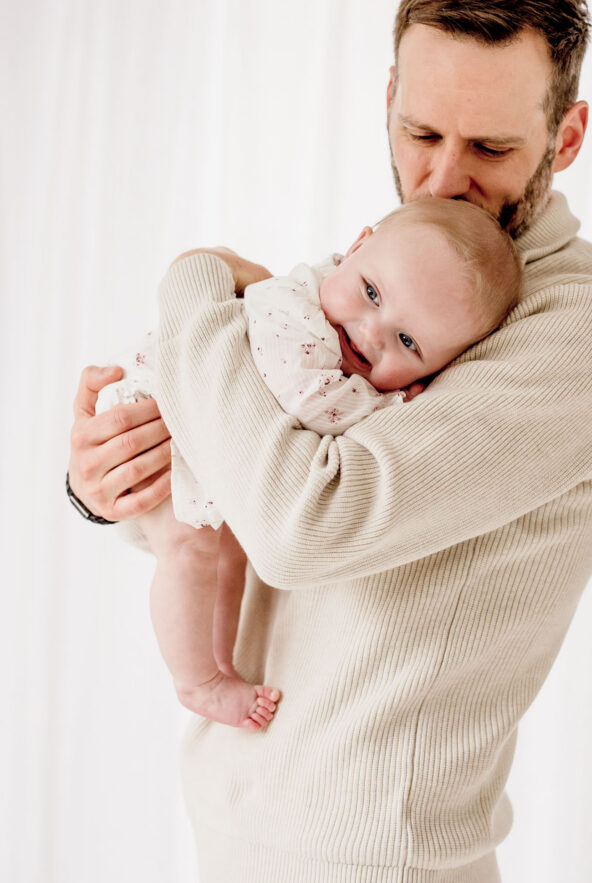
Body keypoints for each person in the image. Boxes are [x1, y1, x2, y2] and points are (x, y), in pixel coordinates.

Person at [67, 0, 592, 883]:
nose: (441, 182)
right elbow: (244, 512)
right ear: (386, 97)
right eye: (421, 132)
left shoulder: (579, 330)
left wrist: (195, 286)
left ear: (566, 136)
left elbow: (304, 525)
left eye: (492, 149)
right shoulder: (401, 279)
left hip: (374, 863)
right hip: (237, 828)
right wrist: (117, 485)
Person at [95, 198, 522, 731]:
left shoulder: (340, 316)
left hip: (206, 434)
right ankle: (195, 681)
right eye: (371, 293)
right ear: (356, 246)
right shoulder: (297, 314)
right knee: (188, 548)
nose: (371, 333)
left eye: (408, 341)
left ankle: (220, 663)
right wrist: (392, 404)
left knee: (230, 555)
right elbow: (306, 402)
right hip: (161, 408)